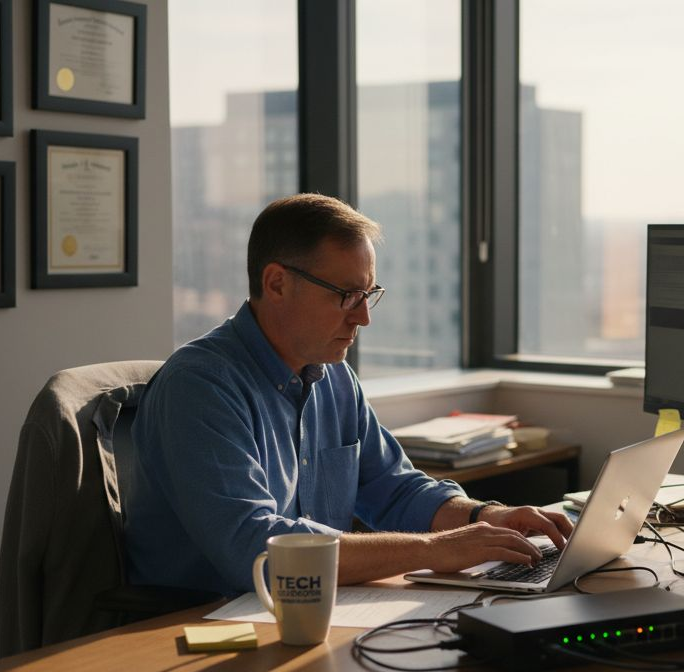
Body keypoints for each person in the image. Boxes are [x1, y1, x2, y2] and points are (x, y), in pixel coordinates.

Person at [126, 193, 573, 595]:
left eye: (368, 293)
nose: (363, 317)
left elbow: (394, 490)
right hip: (201, 627)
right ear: (277, 283)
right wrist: (433, 549)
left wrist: (484, 517)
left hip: (313, 610)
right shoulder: (200, 386)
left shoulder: (334, 378)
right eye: (347, 295)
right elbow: (255, 549)